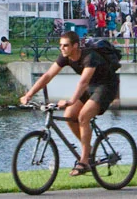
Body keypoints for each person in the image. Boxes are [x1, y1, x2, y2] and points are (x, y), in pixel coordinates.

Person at [19, 31, 120, 176]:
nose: (62, 48)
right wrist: (28, 95)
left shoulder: (90, 57)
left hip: (106, 86)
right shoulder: (66, 57)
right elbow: (47, 76)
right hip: (91, 87)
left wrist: (71, 100)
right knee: (69, 115)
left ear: (75, 46)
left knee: (83, 117)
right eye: (60, 45)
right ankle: (90, 151)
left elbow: (83, 82)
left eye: (65, 45)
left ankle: (84, 161)